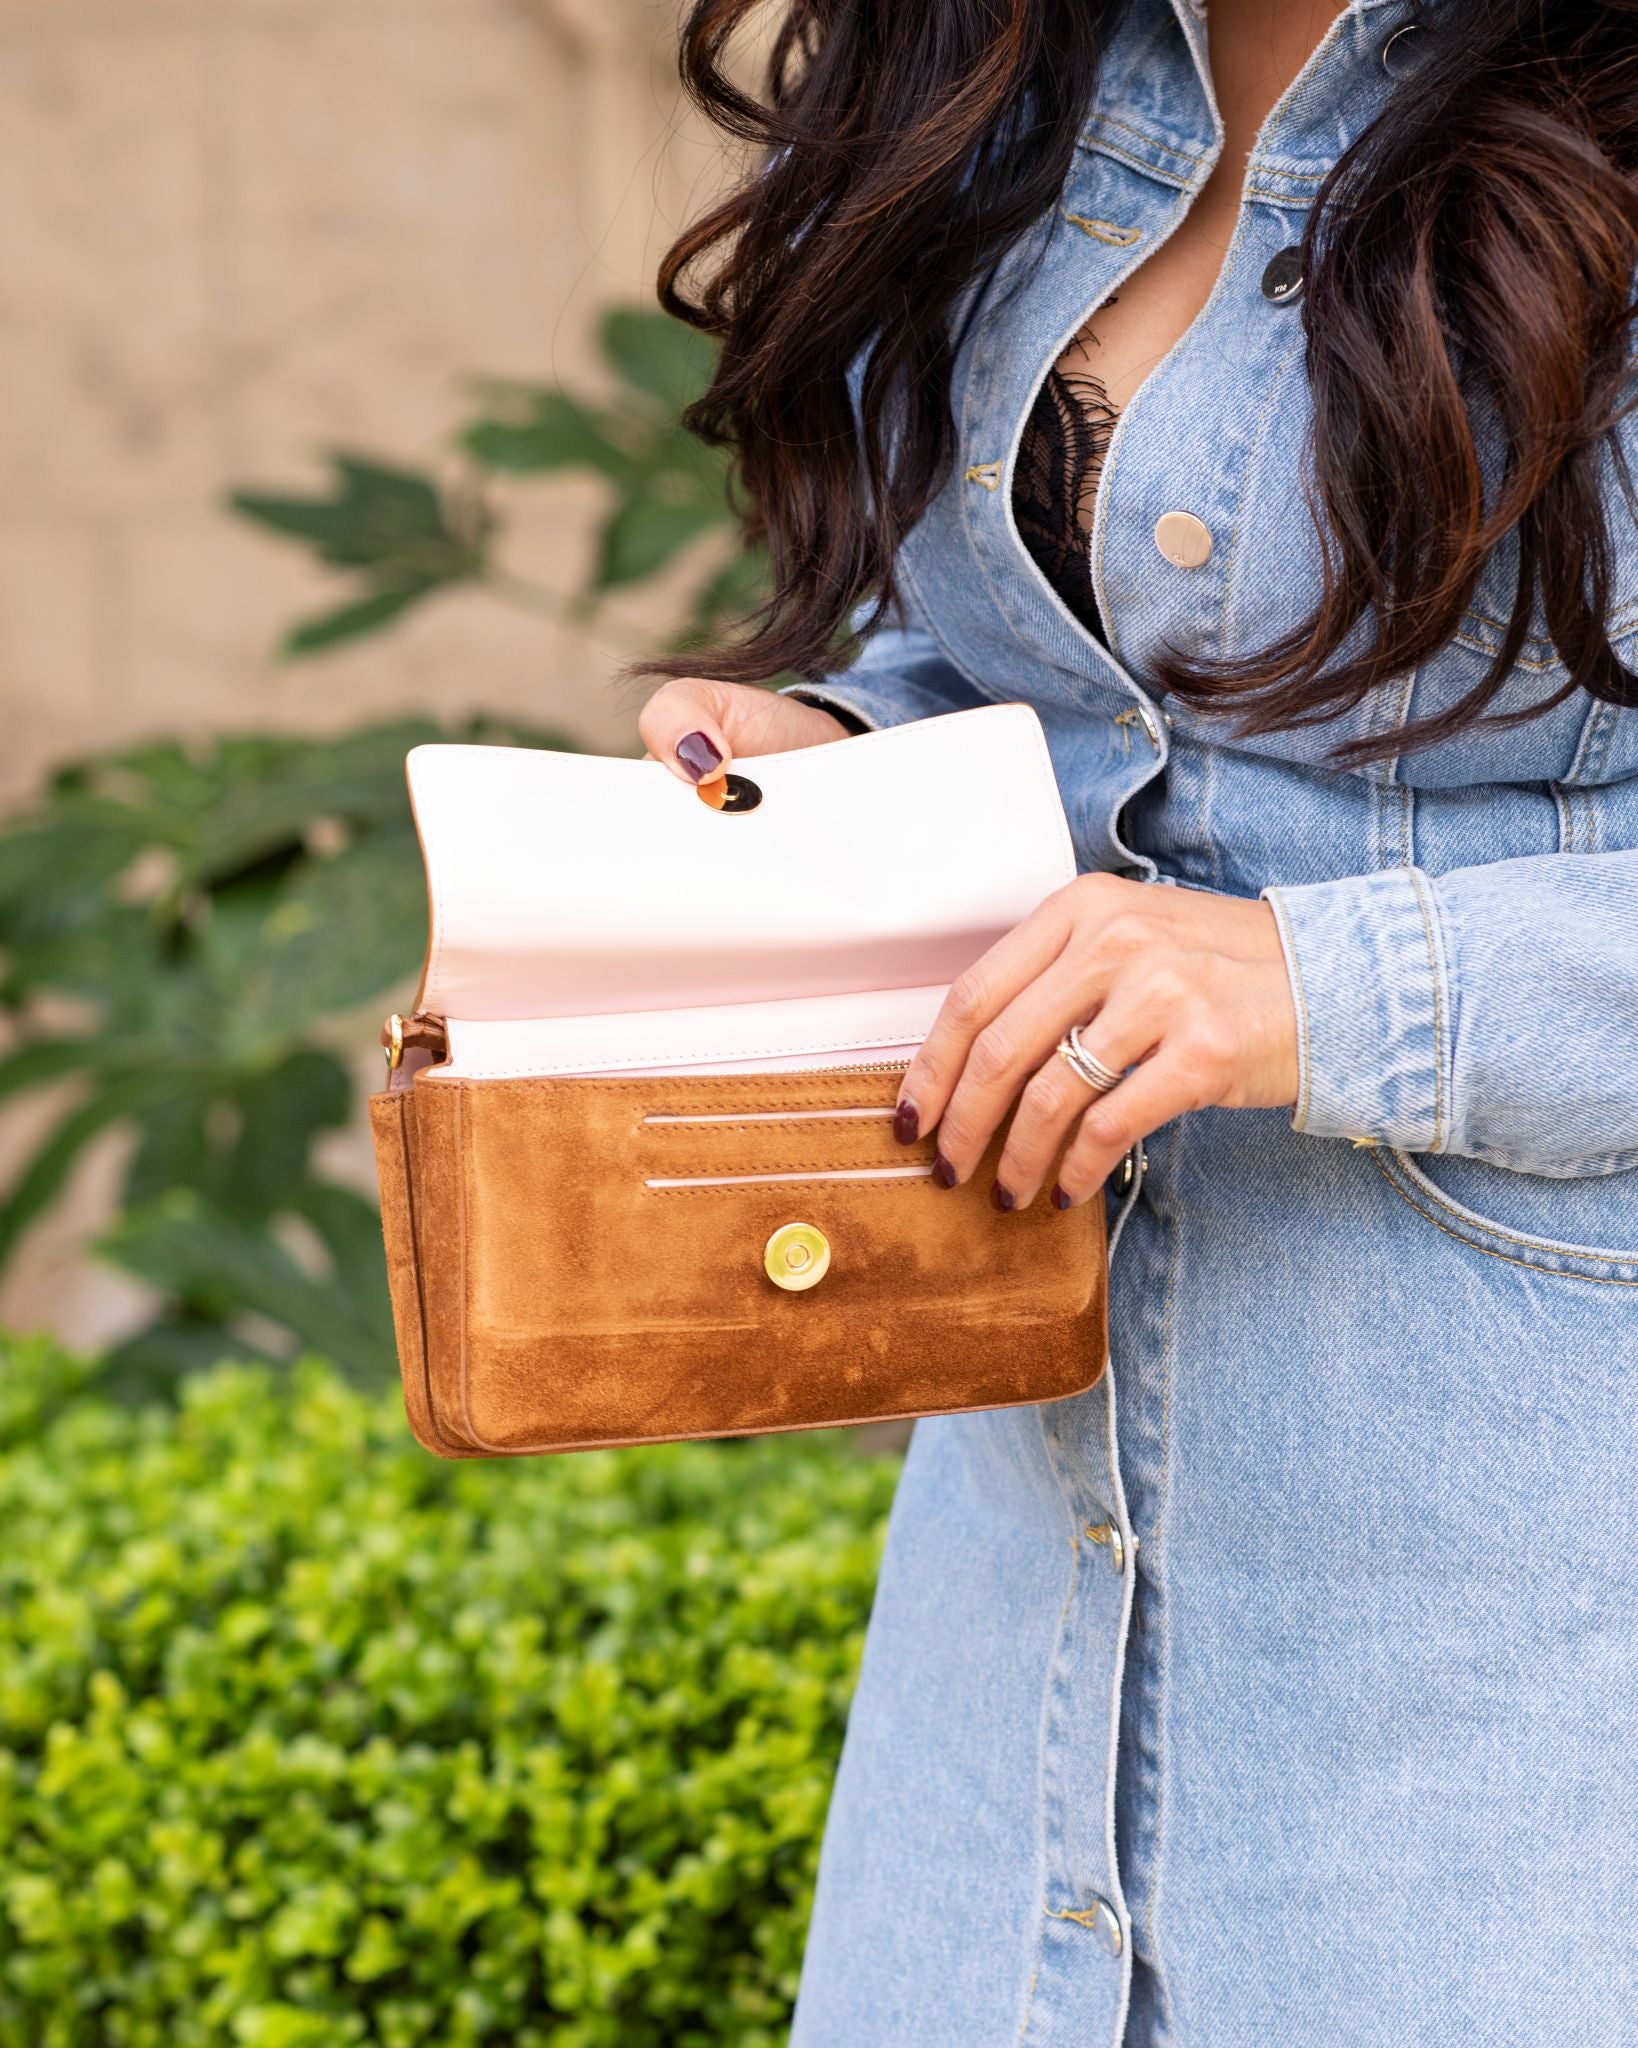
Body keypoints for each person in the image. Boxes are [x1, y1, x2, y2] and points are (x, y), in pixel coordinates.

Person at [640, 1, 1638, 2041]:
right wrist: (848, 751)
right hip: (1018, 1616)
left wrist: (1323, 982)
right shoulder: (1008, 56)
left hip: (1539, 1670)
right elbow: (1097, 694)